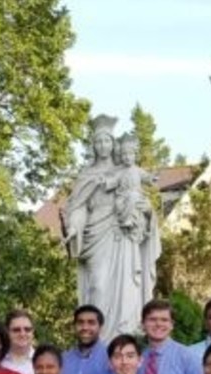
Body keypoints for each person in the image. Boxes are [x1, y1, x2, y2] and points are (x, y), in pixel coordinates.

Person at [64, 114, 160, 337]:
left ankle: (123, 341)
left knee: (128, 291)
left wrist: (147, 212)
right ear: (93, 146)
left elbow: (139, 199)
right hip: (96, 234)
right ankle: (97, 341)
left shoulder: (126, 170)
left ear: (113, 143)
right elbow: (78, 206)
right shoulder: (87, 174)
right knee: (97, 286)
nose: (102, 145)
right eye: (98, 141)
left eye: (107, 140)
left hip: (123, 234)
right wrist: (74, 227)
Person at [59, 304, 113, 374]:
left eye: (91, 323)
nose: (85, 327)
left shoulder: (112, 358)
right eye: (80, 322)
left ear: (100, 327)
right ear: (74, 326)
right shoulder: (63, 359)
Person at [3, 309, 38, 374]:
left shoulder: (44, 363)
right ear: (7, 332)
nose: (22, 334)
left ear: (33, 332)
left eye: (27, 329)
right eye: (16, 330)